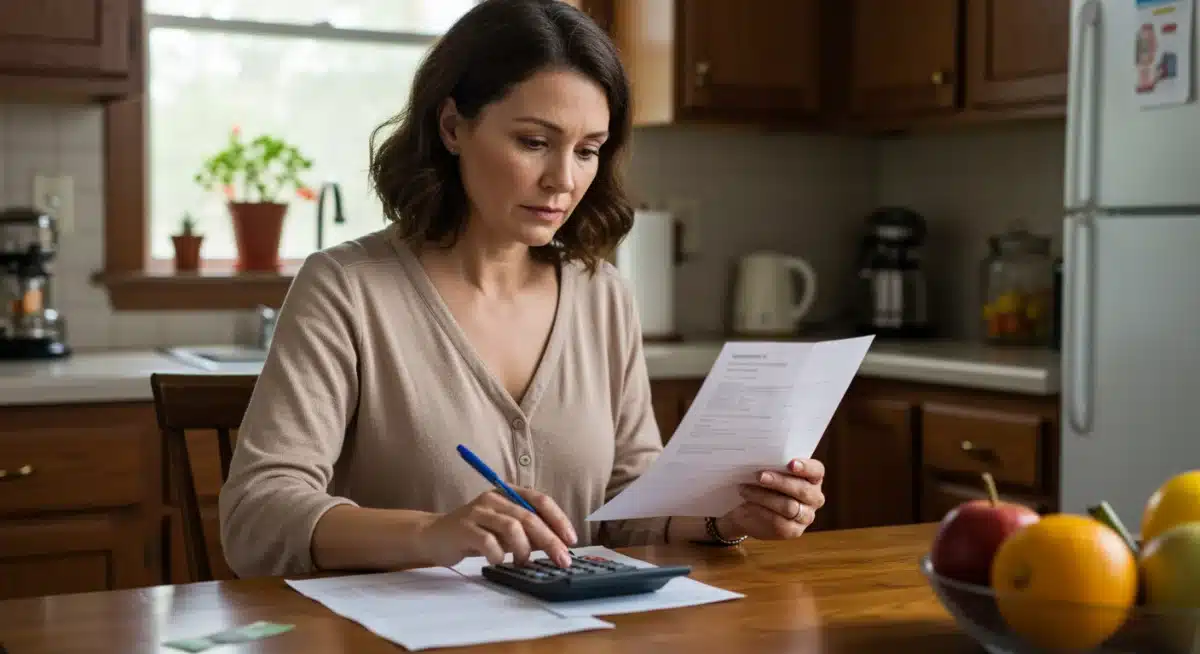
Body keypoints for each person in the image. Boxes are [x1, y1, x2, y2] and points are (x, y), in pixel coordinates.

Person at [218, 0, 826, 579]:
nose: (563, 180)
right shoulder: (346, 289)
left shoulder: (601, 294)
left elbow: (625, 501)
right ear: (454, 126)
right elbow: (257, 516)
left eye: (588, 150)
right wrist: (431, 534)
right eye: (534, 142)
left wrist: (724, 516)